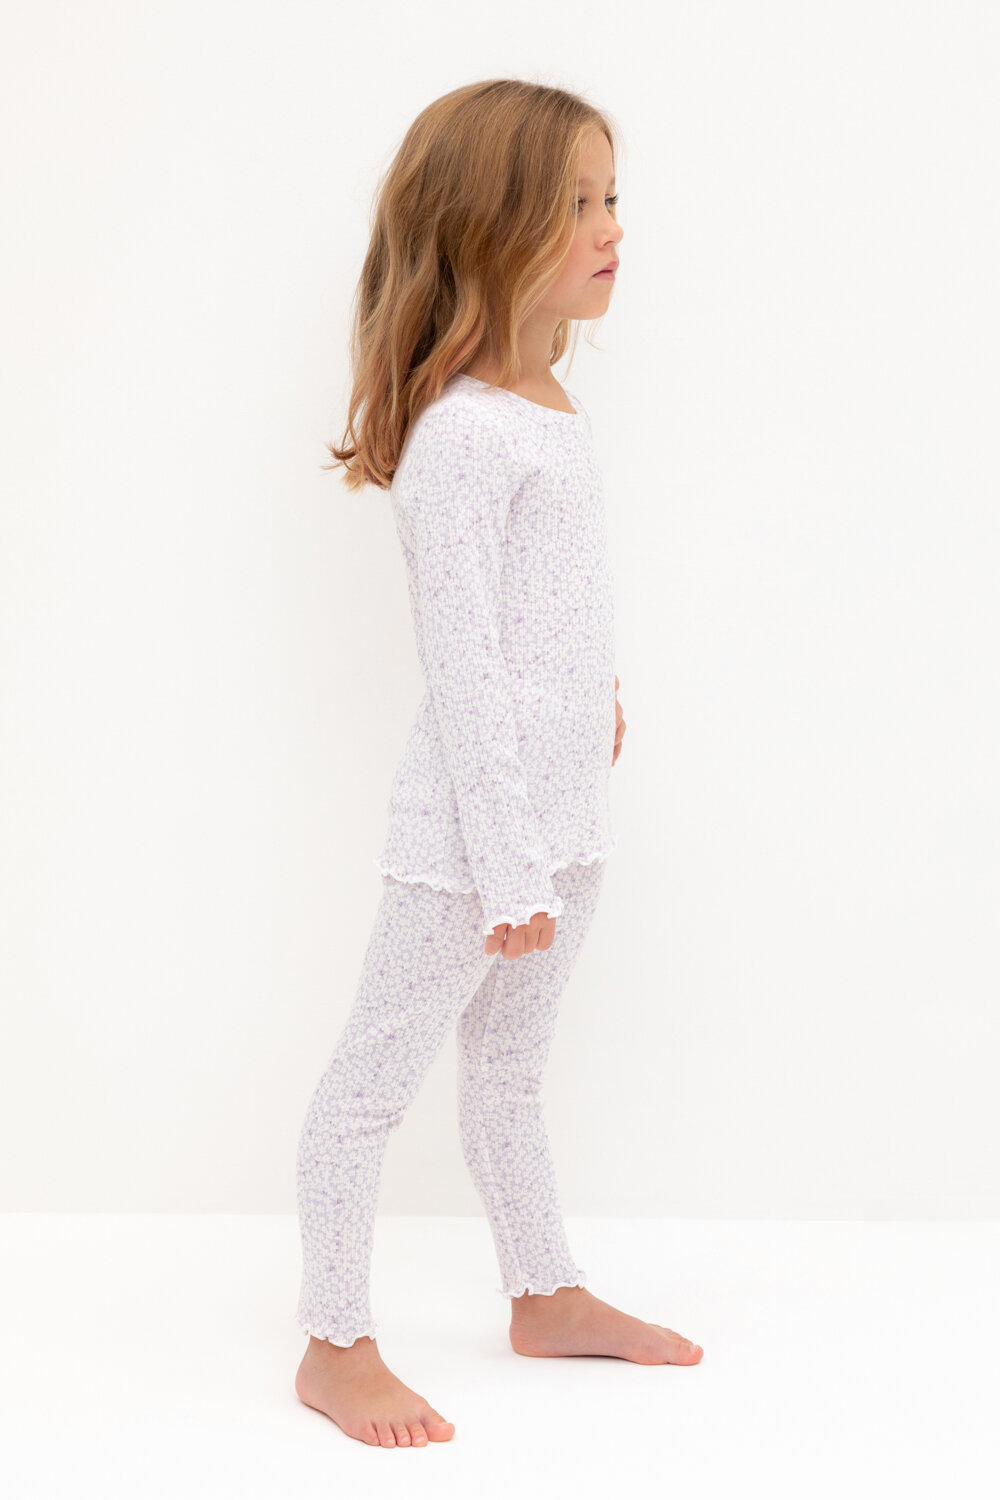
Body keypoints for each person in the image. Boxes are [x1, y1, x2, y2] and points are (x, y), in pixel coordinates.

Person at [293, 77, 703, 1449]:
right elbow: (464, 670)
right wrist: (510, 869)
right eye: (577, 204)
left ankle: (544, 1292)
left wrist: (594, 698)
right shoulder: (464, 436)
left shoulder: (548, 407)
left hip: (561, 819)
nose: (611, 228)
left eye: (611, 197)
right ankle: (334, 1342)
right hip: (474, 844)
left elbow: (540, 614)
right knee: (371, 1086)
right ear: (489, 228)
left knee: (511, 1071)